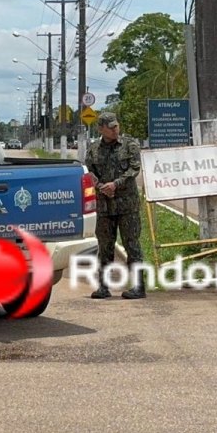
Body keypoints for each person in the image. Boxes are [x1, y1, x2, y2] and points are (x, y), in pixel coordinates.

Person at [85, 111, 146, 299]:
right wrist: (101, 186)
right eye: (110, 127)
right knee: (105, 246)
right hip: (104, 206)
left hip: (127, 205)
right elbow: (89, 171)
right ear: (101, 129)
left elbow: (134, 168)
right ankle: (104, 287)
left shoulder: (130, 145)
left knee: (132, 245)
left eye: (116, 126)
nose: (115, 130)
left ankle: (138, 286)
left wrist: (116, 184)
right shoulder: (94, 149)